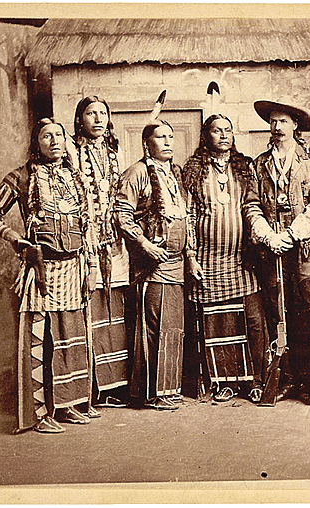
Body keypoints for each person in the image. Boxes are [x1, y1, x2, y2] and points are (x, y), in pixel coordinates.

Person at [0, 118, 92, 433]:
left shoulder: (76, 178)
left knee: (69, 338)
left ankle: (66, 405)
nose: (55, 141)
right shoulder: (20, 177)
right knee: (39, 339)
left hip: (73, 266)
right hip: (40, 268)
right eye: (47, 136)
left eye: (59, 135)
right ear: (36, 143)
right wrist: (17, 239)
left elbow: (85, 223)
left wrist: (89, 261)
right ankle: (40, 414)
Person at [243, 98, 310, 410]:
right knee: (281, 316)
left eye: (282, 121)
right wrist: (267, 235)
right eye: (272, 121)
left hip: (307, 249)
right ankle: (290, 380)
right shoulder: (259, 164)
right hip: (274, 252)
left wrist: (293, 232)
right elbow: (251, 204)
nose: (276, 126)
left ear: (296, 125)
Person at [183, 114, 268, 403]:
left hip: (242, 259)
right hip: (207, 259)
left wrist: (259, 235)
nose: (223, 135)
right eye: (217, 130)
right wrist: (191, 257)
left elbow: (252, 204)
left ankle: (256, 380)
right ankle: (223, 381)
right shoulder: (193, 170)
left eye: (228, 129)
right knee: (216, 324)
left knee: (252, 322)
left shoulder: (244, 167)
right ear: (205, 136)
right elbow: (189, 215)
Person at [114, 118, 188, 411]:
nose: (168, 142)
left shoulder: (175, 174)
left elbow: (186, 217)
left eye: (171, 136)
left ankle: (168, 389)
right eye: (160, 137)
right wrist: (145, 244)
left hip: (177, 263)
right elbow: (121, 214)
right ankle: (149, 393)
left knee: (173, 327)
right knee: (152, 326)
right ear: (147, 143)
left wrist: (190, 255)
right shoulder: (137, 172)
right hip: (151, 265)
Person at [72, 96, 130, 413]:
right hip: (86, 242)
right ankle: (90, 387)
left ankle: (115, 386)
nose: (98, 118)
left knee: (115, 308)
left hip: (115, 241)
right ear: (79, 119)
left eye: (103, 113)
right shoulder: (71, 152)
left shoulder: (113, 153)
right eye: (90, 113)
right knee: (90, 309)